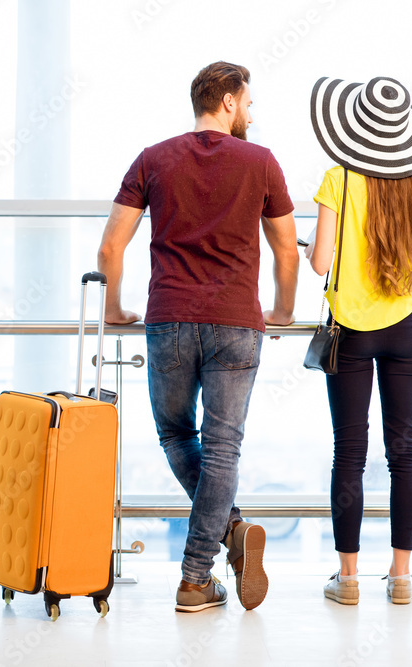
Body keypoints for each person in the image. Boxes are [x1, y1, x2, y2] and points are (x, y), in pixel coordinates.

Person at [96, 61, 300, 612]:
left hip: (169, 320)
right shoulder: (261, 162)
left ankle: (217, 553)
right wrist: (282, 311)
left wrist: (115, 309)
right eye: (249, 103)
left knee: (174, 434)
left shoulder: (153, 159)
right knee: (223, 447)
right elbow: (286, 249)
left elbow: (111, 248)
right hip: (237, 321)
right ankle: (199, 573)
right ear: (229, 102)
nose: (251, 113)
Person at [304, 76, 412, 605]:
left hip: (352, 331)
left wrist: (317, 249)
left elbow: (321, 262)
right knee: (403, 451)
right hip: (407, 327)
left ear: (357, 128)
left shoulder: (336, 179)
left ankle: (347, 580)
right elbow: (404, 245)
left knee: (350, 451)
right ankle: (403, 576)